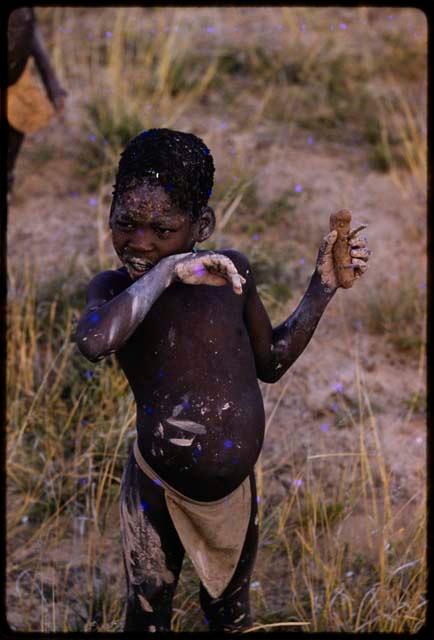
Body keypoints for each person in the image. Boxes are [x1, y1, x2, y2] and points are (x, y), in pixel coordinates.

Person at [76, 128, 370, 632]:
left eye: (162, 229)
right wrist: (167, 270)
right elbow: (95, 341)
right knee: (148, 615)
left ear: (202, 224)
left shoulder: (231, 276)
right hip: (156, 488)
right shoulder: (115, 290)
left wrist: (321, 288)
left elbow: (271, 363)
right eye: (125, 222)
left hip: (233, 496)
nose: (140, 242)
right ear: (109, 213)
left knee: (230, 617)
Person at [7, 7, 67, 193]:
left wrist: (53, 87)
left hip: (15, 81)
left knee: (17, 124)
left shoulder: (24, 17)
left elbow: (32, 36)